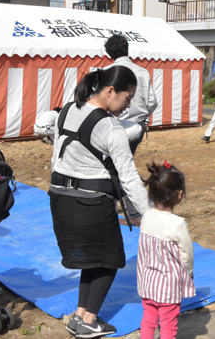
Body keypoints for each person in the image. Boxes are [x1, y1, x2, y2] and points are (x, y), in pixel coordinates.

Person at [50, 66, 151, 338]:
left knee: (90, 260)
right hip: (91, 203)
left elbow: (56, 156)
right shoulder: (109, 128)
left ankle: (79, 315)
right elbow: (129, 178)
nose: (128, 105)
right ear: (110, 91)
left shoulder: (69, 109)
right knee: (109, 260)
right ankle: (90, 320)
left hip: (60, 199)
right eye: (127, 98)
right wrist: (152, 216)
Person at [137, 160, 195, 339]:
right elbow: (186, 254)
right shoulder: (177, 224)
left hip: (147, 283)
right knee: (168, 325)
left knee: (148, 319)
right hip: (168, 288)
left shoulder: (146, 217)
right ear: (179, 194)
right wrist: (189, 273)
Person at [104, 33, 158, 226]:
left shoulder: (107, 71)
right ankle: (133, 209)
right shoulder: (142, 71)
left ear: (109, 52)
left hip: (114, 126)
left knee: (116, 168)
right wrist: (142, 117)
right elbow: (152, 102)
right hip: (137, 126)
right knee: (120, 166)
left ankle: (131, 210)